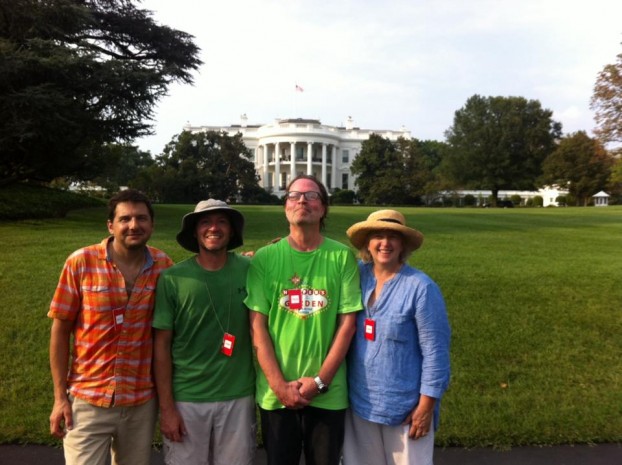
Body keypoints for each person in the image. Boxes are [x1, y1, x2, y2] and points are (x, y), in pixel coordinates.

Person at [48, 189, 174, 465]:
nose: (133, 225)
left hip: (140, 401)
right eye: (125, 218)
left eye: (141, 218)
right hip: (88, 399)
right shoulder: (81, 262)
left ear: (151, 224)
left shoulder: (163, 267)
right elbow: (59, 332)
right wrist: (60, 398)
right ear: (110, 225)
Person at [245, 174, 363, 465]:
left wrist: (320, 382)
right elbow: (256, 326)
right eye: (295, 195)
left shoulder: (341, 256)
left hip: (328, 392)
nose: (302, 201)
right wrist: (278, 385)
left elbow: (347, 324)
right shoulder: (265, 257)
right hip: (276, 392)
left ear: (323, 209)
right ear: (285, 207)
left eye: (311, 196)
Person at [343, 210, 451, 465]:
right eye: (378, 236)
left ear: (403, 244)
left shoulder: (421, 288)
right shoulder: (357, 276)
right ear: (367, 243)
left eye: (393, 236)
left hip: (405, 408)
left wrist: (425, 408)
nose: (385, 243)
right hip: (360, 404)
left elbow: (436, 353)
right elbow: (317, 269)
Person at [153, 199, 255, 465]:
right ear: (195, 231)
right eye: (206, 222)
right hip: (187, 397)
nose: (214, 228)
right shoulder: (173, 278)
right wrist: (167, 409)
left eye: (222, 221)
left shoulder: (251, 270)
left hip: (238, 395)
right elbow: (161, 347)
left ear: (232, 231)